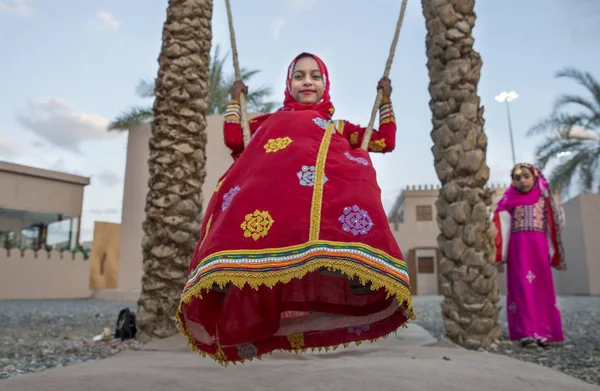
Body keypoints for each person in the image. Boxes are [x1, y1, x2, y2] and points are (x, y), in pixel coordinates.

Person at [176, 52, 414, 365]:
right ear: (289, 84)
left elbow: (384, 141)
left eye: (315, 76)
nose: (307, 82)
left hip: (318, 202)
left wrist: (385, 101)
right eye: (299, 76)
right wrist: (235, 101)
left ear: (325, 84)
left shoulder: (337, 127)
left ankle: (353, 265)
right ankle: (225, 272)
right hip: (271, 204)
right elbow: (234, 138)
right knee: (236, 194)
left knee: (359, 177)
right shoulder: (267, 123)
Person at [493, 163, 566, 349]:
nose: (522, 181)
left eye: (526, 176)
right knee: (522, 288)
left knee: (541, 288)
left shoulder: (544, 199)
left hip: (539, 249)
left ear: (535, 177)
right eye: (517, 178)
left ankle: (543, 332)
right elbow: (498, 224)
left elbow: (557, 222)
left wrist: (552, 204)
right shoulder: (508, 201)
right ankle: (525, 332)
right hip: (519, 250)